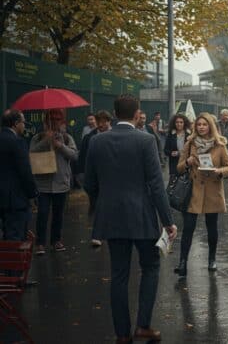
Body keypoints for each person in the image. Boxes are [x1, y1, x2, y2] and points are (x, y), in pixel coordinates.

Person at [84, 94, 177, 343]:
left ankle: (122, 334)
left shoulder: (97, 141)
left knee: (119, 275)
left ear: (115, 114)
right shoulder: (146, 140)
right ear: (137, 114)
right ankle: (143, 325)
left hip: (111, 216)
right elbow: (157, 186)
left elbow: (89, 182)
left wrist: (101, 202)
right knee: (151, 267)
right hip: (142, 215)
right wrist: (168, 221)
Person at [175, 112, 228, 277]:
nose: (201, 127)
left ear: (210, 126)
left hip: (212, 190)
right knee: (188, 228)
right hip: (193, 191)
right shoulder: (190, 143)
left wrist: (218, 171)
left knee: (212, 227)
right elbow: (178, 168)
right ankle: (183, 262)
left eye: (204, 124)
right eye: (198, 124)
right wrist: (187, 162)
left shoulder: (220, 145)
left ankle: (212, 258)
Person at [30, 108, 77, 255]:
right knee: (42, 214)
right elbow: (31, 153)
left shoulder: (67, 138)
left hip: (61, 182)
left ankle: (56, 241)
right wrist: (46, 141)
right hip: (43, 183)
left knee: (58, 214)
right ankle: (40, 243)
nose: (55, 123)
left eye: (58, 120)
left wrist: (60, 145)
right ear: (46, 122)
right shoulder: (37, 138)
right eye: (52, 120)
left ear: (62, 122)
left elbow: (74, 156)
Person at [1, 109, 38, 241]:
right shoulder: (17, 142)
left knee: (6, 234)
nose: (24, 125)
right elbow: (25, 171)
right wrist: (32, 194)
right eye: (23, 122)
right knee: (15, 238)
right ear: (16, 124)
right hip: (16, 199)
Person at [79, 110, 112, 246]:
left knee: (108, 206)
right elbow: (83, 158)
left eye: (104, 121)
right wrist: (83, 177)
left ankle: (105, 232)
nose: (101, 124)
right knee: (97, 206)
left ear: (109, 122)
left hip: (111, 178)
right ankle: (98, 234)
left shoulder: (114, 136)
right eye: (99, 122)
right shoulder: (89, 138)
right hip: (94, 178)